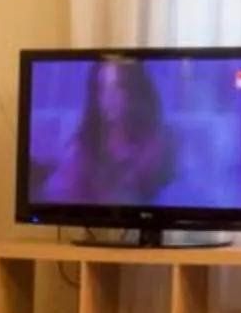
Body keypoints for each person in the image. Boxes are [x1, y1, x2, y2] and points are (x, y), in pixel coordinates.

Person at [47, 56, 179, 204]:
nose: (108, 97)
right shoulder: (86, 144)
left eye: (119, 87)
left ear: (136, 90)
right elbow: (57, 193)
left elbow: (176, 195)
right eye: (102, 88)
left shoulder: (162, 140)